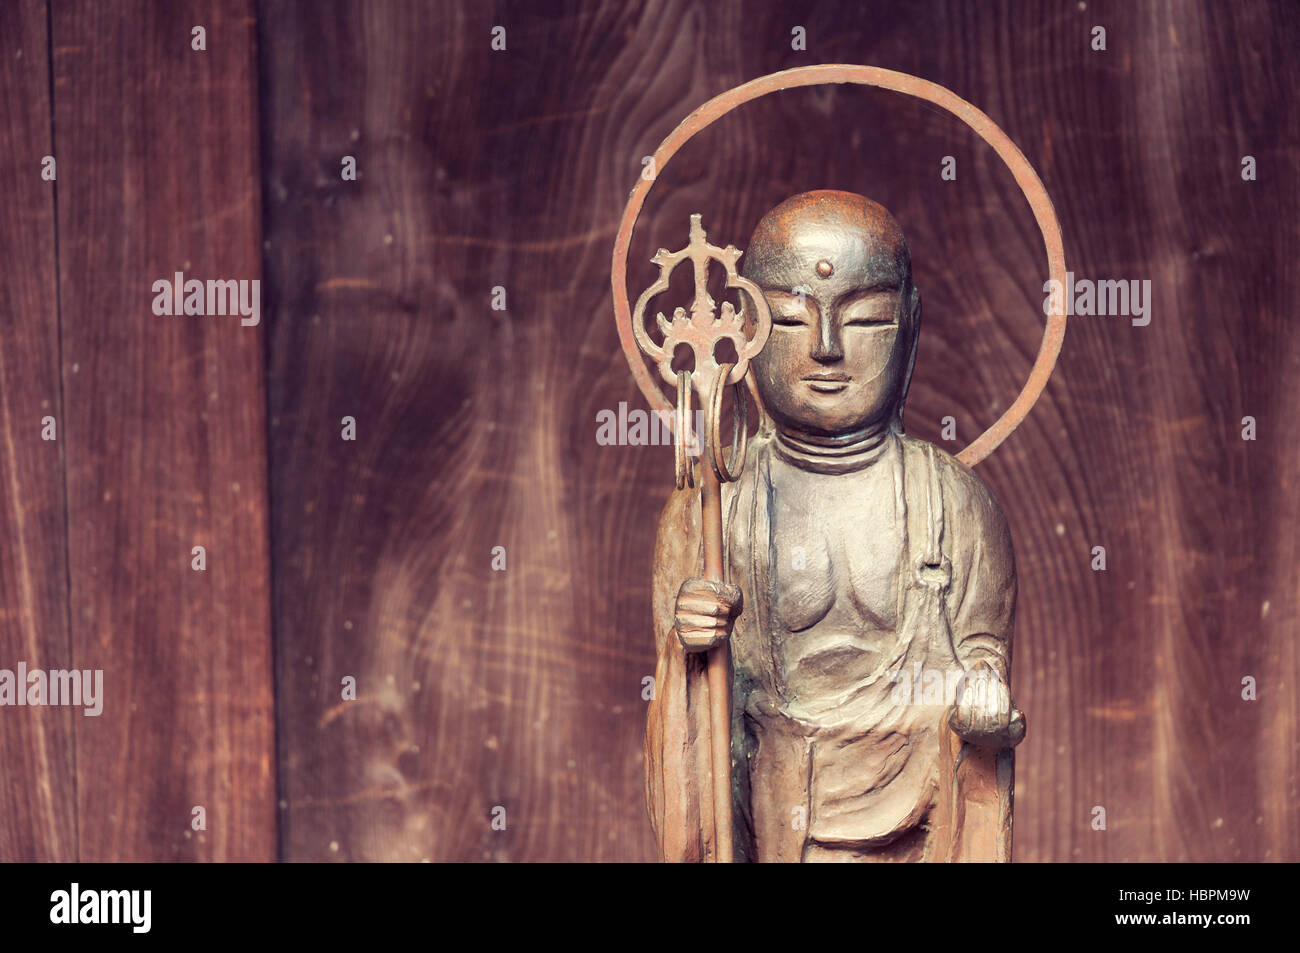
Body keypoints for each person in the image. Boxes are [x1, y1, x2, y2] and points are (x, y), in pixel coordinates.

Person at [645, 190, 1025, 862]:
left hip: (916, 816)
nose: (825, 349)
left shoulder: (958, 505)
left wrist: (981, 695)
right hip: (767, 818)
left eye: (866, 320)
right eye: (791, 322)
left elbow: (981, 657)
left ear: (911, 326)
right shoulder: (711, 508)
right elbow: (692, 717)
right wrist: (689, 649)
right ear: (744, 335)